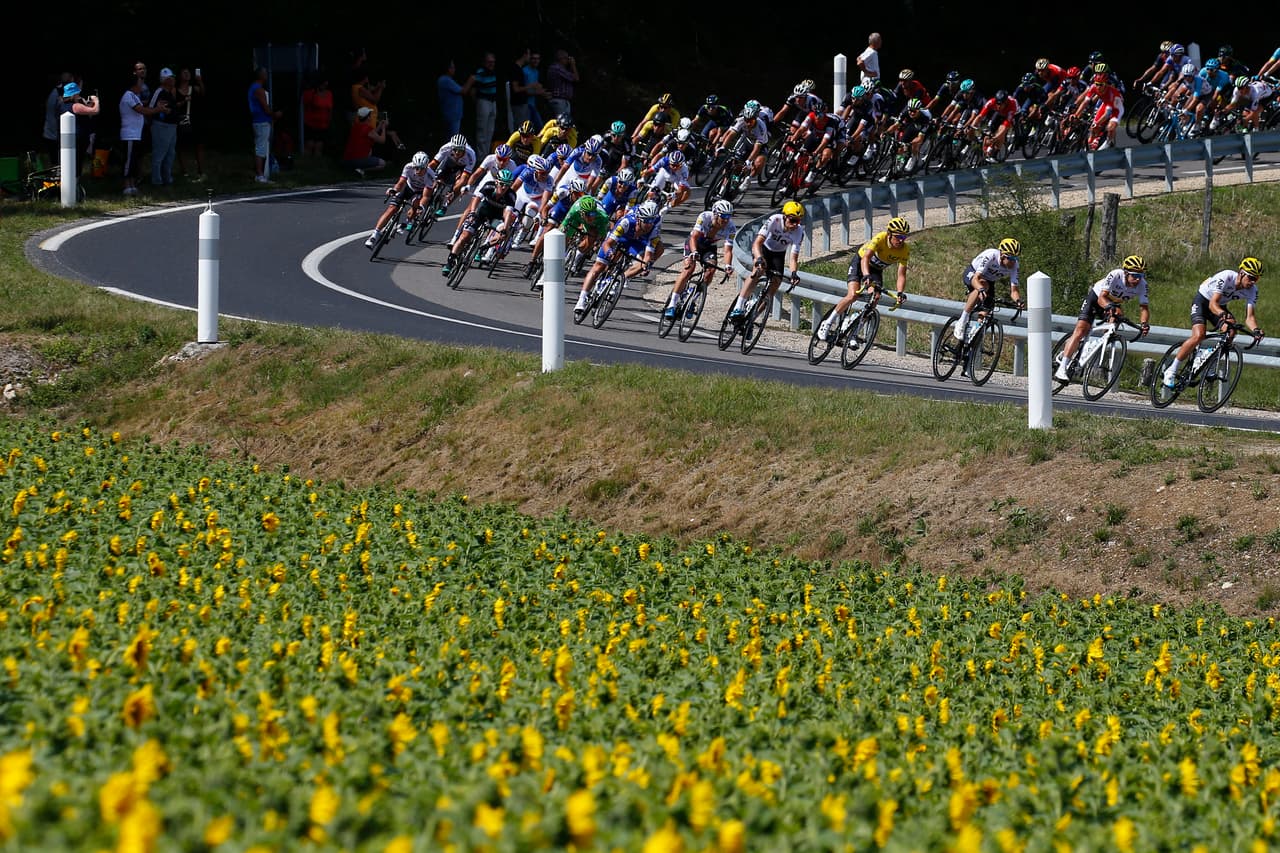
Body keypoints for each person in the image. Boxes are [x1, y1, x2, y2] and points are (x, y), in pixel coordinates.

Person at [1161, 258, 1264, 388]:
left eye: (1256, 279)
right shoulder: (1226, 276)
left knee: (1231, 331)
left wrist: (1256, 330)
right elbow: (1212, 304)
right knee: (1199, 335)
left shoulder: (1253, 290)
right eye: (1251, 277)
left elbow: (1250, 317)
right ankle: (1172, 369)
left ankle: (1209, 363)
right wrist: (1223, 315)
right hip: (1203, 301)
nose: (1253, 282)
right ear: (1241, 273)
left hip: (1219, 305)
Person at [1056, 255, 1151, 382]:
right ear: (1126, 273)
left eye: (1141, 276)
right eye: (1135, 276)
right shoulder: (1116, 275)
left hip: (1113, 304)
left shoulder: (1142, 285)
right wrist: (1108, 307)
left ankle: (1094, 345)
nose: (1138, 280)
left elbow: (1144, 308)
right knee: (1081, 331)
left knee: (1117, 318)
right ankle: (1061, 369)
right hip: (1097, 299)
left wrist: (1144, 323)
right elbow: (1102, 297)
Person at [816, 215, 908, 341]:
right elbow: (865, 258)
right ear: (889, 234)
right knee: (853, 295)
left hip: (875, 270)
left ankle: (854, 331)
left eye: (904, 237)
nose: (901, 240)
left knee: (875, 298)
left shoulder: (904, 250)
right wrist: (866, 275)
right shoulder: (880, 238)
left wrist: (900, 293)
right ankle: (827, 323)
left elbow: (901, 274)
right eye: (898, 237)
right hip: (860, 263)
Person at [574, 200, 664, 322]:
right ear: (639, 219)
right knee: (599, 266)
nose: (649, 224)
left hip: (638, 241)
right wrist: (610, 252)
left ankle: (618, 280)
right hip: (622, 237)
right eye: (646, 221)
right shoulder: (626, 222)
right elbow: (608, 244)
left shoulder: (655, 224)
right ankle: (581, 299)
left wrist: (647, 265)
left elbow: (649, 251)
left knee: (644, 262)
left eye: (651, 221)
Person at [731, 201, 806, 323]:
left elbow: (793, 258)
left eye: (798, 221)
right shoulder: (774, 220)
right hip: (763, 249)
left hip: (778, 255)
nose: (794, 225)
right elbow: (757, 243)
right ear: (785, 216)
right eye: (792, 220)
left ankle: (751, 319)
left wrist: (793, 273)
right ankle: (738, 306)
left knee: (775, 284)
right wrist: (759, 258)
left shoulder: (799, 232)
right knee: (758, 270)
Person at [662, 200, 736, 319]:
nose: (726, 220)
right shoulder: (704, 217)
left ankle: (693, 301)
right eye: (723, 216)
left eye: (729, 216)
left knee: (710, 271)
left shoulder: (731, 227)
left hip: (709, 247)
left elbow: (728, 250)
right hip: (695, 243)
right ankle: (672, 304)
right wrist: (694, 252)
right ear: (716, 214)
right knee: (689, 269)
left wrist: (728, 265)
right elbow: (694, 237)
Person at [441, 168, 518, 276]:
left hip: (495, 218)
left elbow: (508, 213)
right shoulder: (489, 186)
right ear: (497, 182)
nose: (504, 187)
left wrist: (505, 228)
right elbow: (476, 199)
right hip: (480, 213)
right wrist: (472, 212)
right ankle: (449, 263)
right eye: (502, 184)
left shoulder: (511, 195)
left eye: (507, 185)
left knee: (504, 235)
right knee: (464, 237)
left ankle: (483, 248)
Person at [363, 151, 436, 249]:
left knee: (415, 205)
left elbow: (426, 196)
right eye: (416, 168)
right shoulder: (408, 167)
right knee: (391, 208)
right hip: (408, 188)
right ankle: (374, 235)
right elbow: (401, 182)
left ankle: (406, 222)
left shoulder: (430, 175)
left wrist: (421, 207)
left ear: (426, 167)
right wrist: (394, 190)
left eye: (421, 168)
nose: (418, 171)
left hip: (420, 192)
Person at [956, 239, 1023, 342]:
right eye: (1011, 258)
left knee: (987, 308)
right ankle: (962, 320)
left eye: (1016, 258)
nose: (1013, 261)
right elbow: (976, 279)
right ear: (1002, 255)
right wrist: (980, 289)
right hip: (973, 273)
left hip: (989, 281)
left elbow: (1014, 291)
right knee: (983, 286)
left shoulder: (1015, 265)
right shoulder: (991, 255)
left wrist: (1018, 301)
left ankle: (972, 336)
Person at [118, 75, 163, 195]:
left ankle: (132, 184)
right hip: (129, 135)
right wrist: (158, 109)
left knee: (134, 161)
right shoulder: (128, 96)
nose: (142, 86)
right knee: (128, 161)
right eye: (140, 83)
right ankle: (126, 185)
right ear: (134, 84)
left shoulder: (135, 96)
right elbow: (142, 110)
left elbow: (144, 106)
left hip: (136, 135)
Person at [59, 80, 100, 180]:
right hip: (79, 138)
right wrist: (96, 100)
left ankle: (72, 182)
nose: (79, 96)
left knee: (71, 162)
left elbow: (86, 113)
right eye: (78, 94)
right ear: (73, 95)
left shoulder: (63, 106)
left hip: (70, 139)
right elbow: (95, 111)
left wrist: (87, 105)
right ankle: (75, 183)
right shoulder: (75, 106)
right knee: (77, 162)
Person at [249, 67, 283, 184]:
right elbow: (266, 108)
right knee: (261, 148)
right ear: (261, 76)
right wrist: (275, 115)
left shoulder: (253, 88)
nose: (267, 76)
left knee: (261, 147)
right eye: (265, 74)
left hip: (258, 121)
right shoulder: (259, 90)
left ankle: (261, 173)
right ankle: (260, 174)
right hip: (261, 121)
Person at [148, 68, 180, 186]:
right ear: (164, 80)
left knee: (170, 154)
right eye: (170, 78)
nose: (173, 80)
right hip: (161, 127)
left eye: (173, 77)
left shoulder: (170, 93)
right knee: (159, 154)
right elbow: (150, 109)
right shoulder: (159, 91)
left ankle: (167, 178)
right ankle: (156, 181)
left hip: (172, 127)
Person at [174, 68, 206, 179]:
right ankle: (184, 172)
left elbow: (203, 94)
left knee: (199, 145)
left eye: (188, 72)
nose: (187, 74)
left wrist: (200, 81)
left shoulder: (195, 88)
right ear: (179, 76)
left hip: (195, 120)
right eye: (184, 72)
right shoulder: (175, 90)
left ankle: (201, 171)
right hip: (182, 121)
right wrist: (184, 101)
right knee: (182, 147)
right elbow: (173, 105)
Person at [466, 52, 499, 156]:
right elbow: (472, 90)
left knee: (490, 130)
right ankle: (481, 155)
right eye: (489, 62)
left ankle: (486, 153)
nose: (491, 64)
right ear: (484, 62)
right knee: (482, 130)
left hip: (493, 102)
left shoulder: (493, 72)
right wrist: (477, 102)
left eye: (493, 62)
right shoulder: (480, 72)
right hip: (483, 102)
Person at [341, 106, 388, 177]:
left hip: (347, 160)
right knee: (382, 163)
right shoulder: (368, 128)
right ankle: (361, 170)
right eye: (370, 115)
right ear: (368, 117)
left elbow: (371, 134)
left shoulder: (355, 126)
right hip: (359, 160)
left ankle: (354, 169)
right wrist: (384, 128)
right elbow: (382, 140)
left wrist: (380, 126)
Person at [42, 71, 73, 168]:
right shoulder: (57, 94)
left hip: (54, 133)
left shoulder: (58, 92)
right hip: (53, 134)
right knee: (55, 164)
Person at [301, 73, 334, 158]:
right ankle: (306, 163)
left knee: (319, 146)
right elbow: (306, 106)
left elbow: (330, 109)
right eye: (323, 83)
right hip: (311, 124)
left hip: (323, 125)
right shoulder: (310, 93)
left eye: (326, 83)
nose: (325, 85)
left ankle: (317, 164)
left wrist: (329, 121)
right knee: (310, 144)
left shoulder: (329, 94)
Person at [437, 59, 469, 136]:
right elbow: (463, 91)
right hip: (452, 116)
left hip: (453, 115)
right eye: (452, 67)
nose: (454, 69)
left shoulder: (447, 80)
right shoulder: (445, 80)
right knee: (453, 140)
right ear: (448, 69)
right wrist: (471, 79)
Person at [546, 49, 578, 119]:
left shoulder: (561, 69)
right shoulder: (557, 68)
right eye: (566, 58)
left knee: (565, 124)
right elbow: (576, 78)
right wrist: (573, 65)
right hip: (559, 101)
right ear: (561, 59)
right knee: (561, 124)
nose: (568, 60)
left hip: (563, 101)